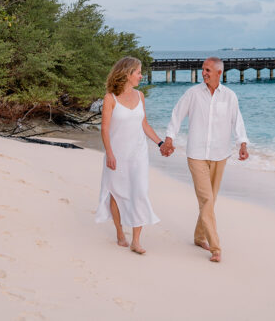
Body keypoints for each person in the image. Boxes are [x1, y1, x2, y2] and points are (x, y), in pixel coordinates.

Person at [161, 57, 249, 263]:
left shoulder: (229, 96)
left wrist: (242, 144)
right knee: (207, 200)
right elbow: (177, 114)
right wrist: (169, 138)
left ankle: (199, 236)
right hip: (197, 154)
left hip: (220, 155)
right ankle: (216, 247)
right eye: (203, 70)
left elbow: (238, 121)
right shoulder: (193, 93)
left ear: (219, 73)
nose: (204, 73)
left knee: (210, 200)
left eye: (208, 70)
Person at [94, 56, 168, 254]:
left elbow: (144, 124)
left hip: (138, 154)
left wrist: (160, 143)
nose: (141, 75)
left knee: (140, 192)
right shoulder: (111, 98)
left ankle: (136, 241)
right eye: (138, 72)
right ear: (127, 74)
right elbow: (105, 128)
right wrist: (109, 152)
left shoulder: (140, 96)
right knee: (116, 194)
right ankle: (120, 233)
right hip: (117, 154)